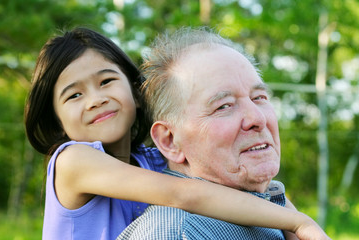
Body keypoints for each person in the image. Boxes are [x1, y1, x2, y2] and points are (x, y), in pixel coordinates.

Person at [24, 27, 327, 240]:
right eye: (73, 96)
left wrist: (289, 222)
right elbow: (185, 194)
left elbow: (252, 186)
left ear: (134, 90)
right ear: (59, 121)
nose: (96, 99)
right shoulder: (73, 162)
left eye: (106, 81)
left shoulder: (151, 159)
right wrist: (297, 221)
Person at [117, 27, 331, 240]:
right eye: (224, 106)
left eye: (259, 97)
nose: (257, 119)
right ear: (170, 141)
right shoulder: (177, 233)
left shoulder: (274, 206)